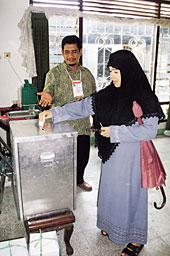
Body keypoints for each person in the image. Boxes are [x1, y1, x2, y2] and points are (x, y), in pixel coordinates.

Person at [39, 50, 165, 256]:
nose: (112, 76)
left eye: (117, 72)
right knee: (111, 192)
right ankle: (113, 225)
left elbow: (149, 130)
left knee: (130, 195)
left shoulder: (145, 96)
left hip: (132, 156)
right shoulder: (107, 94)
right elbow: (81, 107)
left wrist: (115, 131)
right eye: (110, 71)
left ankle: (136, 238)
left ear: (129, 71)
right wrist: (53, 112)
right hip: (111, 155)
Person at [37, 35, 96, 191]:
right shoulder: (54, 74)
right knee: (62, 159)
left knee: (83, 157)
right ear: (62, 53)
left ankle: (79, 180)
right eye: (67, 52)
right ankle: (61, 185)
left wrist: (97, 120)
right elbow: (47, 92)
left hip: (83, 125)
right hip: (62, 127)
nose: (71, 56)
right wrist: (47, 97)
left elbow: (95, 99)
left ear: (80, 52)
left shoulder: (87, 74)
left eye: (74, 51)